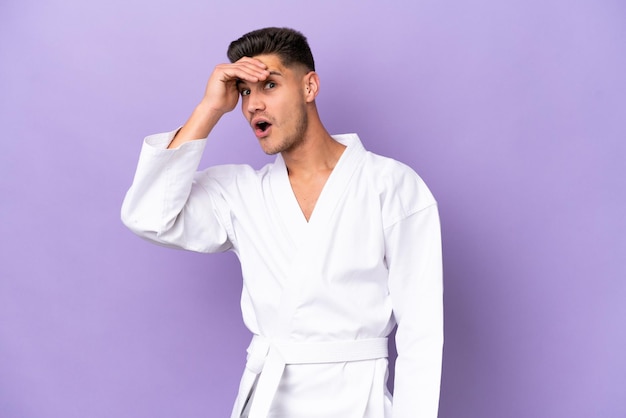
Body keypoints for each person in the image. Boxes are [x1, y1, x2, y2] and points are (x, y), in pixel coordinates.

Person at [121, 27, 443, 418]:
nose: (253, 104)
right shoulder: (241, 193)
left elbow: (421, 334)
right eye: (244, 91)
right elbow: (148, 216)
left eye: (269, 85)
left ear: (310, 87)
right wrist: (209, 108)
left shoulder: (392, 186)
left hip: (360, 402)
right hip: (270, 402)